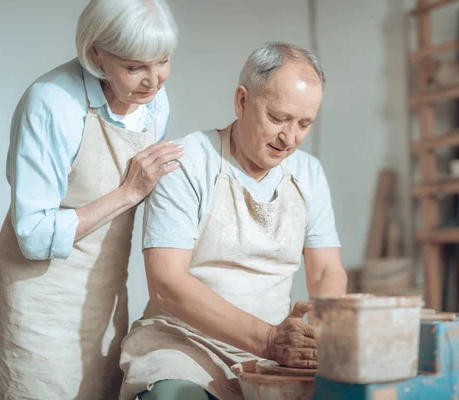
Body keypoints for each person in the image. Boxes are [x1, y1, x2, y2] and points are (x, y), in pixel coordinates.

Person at [118, 42, 348, 400]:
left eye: (304, 124)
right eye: (278, 118)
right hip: (186, 345)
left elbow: (326, 272)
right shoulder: (187, 162)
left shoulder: (309, 174)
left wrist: (320, 332)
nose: (289, 138)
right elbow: (166, 283)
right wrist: (268, 339)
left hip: (273, 357)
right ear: (242, 101)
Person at [0, 1, 180, 399]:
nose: (153, 81)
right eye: (134, 67)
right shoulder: (51, 104)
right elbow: (33, 234)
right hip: (40, 300)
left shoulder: (153, 104)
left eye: (162, 61)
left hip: (105, 293)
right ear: (95, 53)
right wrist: (129, 192)